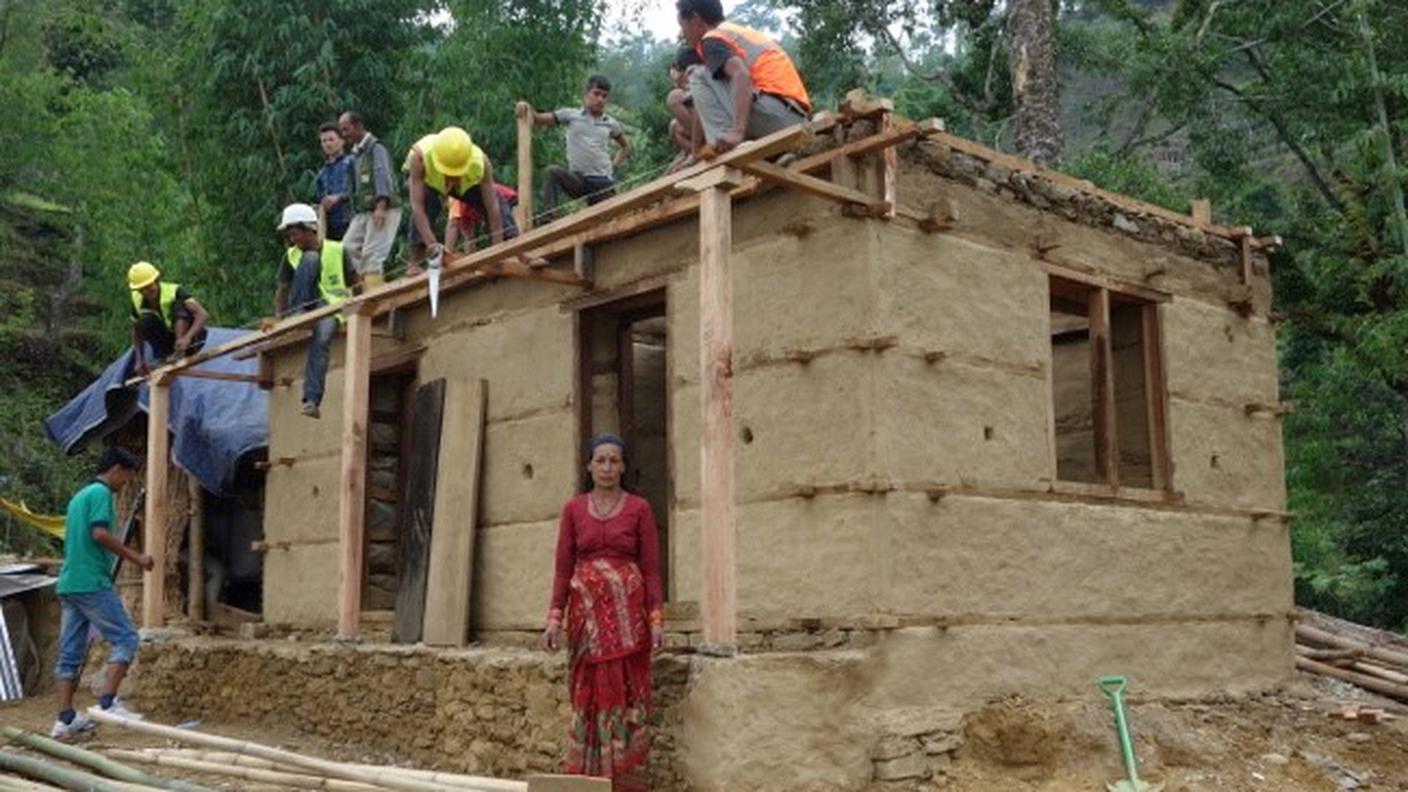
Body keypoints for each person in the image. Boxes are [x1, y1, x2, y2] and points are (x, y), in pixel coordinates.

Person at [543, 434, 662, 790]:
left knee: (625, 696)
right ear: (589, 466)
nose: (607, 467)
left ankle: (624, 781)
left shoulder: (640, 508)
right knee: (589, 696)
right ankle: (588, 780)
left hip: (629, 624)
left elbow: (652, 569)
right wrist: (553, 618)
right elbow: (563, 569)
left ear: (624, 466)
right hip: (585, 623)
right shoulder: (574, 509)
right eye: (600, 460)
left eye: (614, 460)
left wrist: (656, 620)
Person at [51, 446, 153, 740]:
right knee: (126, 637)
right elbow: (99, 534)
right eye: (125, 477)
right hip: (91, 583)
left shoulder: (79, 497)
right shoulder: (101, 495)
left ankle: (65, 718)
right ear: (116, 470)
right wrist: (137, 558)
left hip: (70, 584)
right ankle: (108, 703)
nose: (124, 485)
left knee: (70, 654)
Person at [676, 0, 811, 154]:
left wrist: (737, 133)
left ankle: (723, 144)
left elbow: (741, 74)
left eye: (682, 25)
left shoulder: (711, 39)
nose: (683, 34)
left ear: (695, 18)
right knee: (708, 73)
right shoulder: (734, 33)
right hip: (794, 117)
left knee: (697, 74)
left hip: (777, 116)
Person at [403, 126, 539, 275]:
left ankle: (520, 251)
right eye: (448, 173)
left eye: (456, 173)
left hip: (467, 183)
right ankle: (414, 262)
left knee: (498, 200)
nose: (452, 178)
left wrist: (497, 250)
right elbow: (417, 207)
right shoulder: (419, 157)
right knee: (428, 202)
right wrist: (432, 244)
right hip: (429, 181)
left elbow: (492, 208)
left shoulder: (481, 163)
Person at [273, 203, 355, 418]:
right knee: (310, 258)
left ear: (311, 229)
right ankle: (299, 314)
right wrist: (279, 321)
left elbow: (357, 284)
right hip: (305, 304)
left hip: (332, 310)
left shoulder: (337, 250)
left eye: (296, 234)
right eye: (290, 236)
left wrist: (360, 312)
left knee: (322, 341)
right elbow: (282, 291)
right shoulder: (293, 255)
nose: (293, 240)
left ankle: (311, 400)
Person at [516, 75, 633, 219]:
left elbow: (626, 146)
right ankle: (549, 217)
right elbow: (538, 119)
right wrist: (526, 107)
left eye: (604, 96)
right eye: (596, 94)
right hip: (579, 180)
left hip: (602, 181)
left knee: (609, 222)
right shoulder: (571, 115)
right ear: (586, 94)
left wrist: (615, 165)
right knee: (552, 172)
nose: (600, 99)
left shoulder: (610, 123)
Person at [338, 111, 401, 289]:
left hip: (382, 208)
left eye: (346, 129)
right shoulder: (356, 154)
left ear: (358, 126)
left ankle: (374, 298)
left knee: (372, 255)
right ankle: (362, 288)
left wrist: (381, 207)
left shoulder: (375, 148)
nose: (344, 134)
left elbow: (383, 177)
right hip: (363, 212)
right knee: (347, 249)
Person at [127, 261, 208, 377]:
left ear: (156, 281)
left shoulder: (174, 291)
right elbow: (136, 330)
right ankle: (165, 356)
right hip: (167, 343)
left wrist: (187, 338)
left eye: (149, 287)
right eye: (141, 289)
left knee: (178, 306)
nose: (146, 292)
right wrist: (139, 359)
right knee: (144, 321)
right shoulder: (137, 300)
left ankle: (180, 351)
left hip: (191, 340)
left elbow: (202, 314)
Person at [445, 183, 519, 254]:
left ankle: (521, 255)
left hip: (504, 196)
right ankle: (518, 254)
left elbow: (453, 225)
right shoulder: (464, 213)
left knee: (506, 230)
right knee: (501, 229)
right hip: (496, 198)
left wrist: (447, 252)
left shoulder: (457, 203)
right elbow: (468, 237)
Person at [313, 122, 355, 241]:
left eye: (331, 139)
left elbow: (360, 190)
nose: (328, 144)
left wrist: (339, 197)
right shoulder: (322, 172)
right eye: (324, 141)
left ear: (342, 141)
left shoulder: (352, 162)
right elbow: (318, 197)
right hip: (329, 225)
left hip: (350, 220)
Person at [666, 48, 702, 172]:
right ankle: (698, 151)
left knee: (674, 97)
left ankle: (700, 149)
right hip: (702, 131)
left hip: (716, 127)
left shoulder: (697, 74)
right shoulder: (688, 87)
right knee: (674, 127)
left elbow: (699, 106)